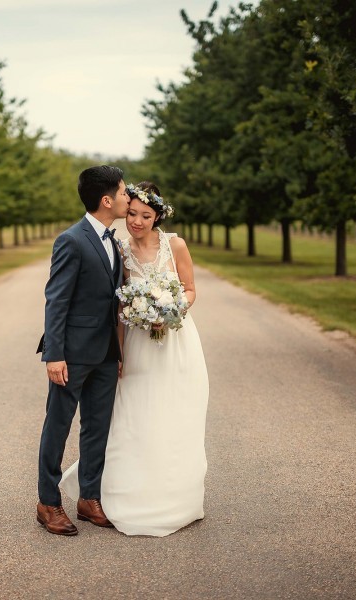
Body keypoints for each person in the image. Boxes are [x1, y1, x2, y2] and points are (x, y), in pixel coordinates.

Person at [60, 181, 209, 537]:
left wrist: (171, 309)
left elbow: (190, 289)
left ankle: (176, 495)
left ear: (158, 216)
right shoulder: (120, 251)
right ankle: (124, 493)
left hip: (176, 341)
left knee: (175, 413)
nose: (137, 221)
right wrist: (121, 355)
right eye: (132, 214)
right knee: (135, 414)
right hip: (139, 345)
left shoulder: (175, 245)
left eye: (145, 215)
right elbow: (119, 307)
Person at [35, 165, 131, 536]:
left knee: (97, 428)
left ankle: (89, 498)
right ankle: (48, 502)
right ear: (106, 200)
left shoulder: (113, 239)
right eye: (123, 192)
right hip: (71, 354)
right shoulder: (71, 240)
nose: (128, 197)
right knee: (57, 426)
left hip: (106, 353)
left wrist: (118, 351)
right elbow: (55, 300)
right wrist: (54, 354)